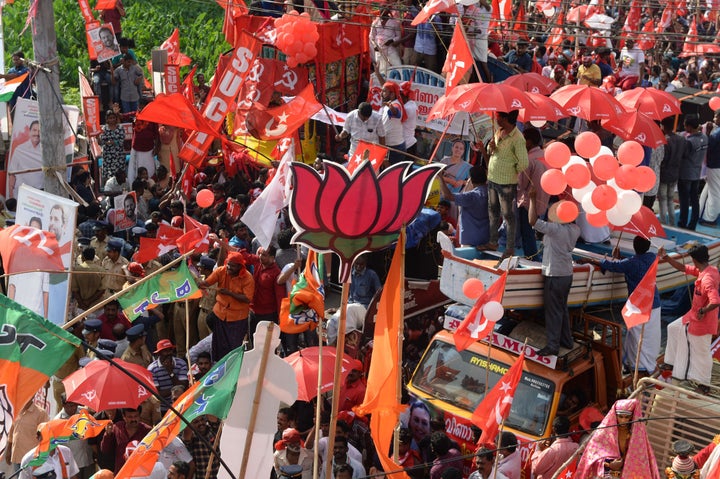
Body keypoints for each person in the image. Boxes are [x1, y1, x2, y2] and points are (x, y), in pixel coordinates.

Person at [583, 236, 661, 374]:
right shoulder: (651, 257)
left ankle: (638, 366)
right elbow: (628, 263)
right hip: (654, 302)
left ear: (634, 246)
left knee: (637, 338)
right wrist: (620, 257)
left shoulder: (631, 263)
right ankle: (643, 364)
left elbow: (612, 266)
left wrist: (588, 260)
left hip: (640, 306)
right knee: (648, 337)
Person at [659, 244, 720, 391]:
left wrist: (703, 310)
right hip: (692, 316)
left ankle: (703, 385)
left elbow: (716, 301)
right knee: (672, 328)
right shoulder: (706, 269)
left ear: (694, 260)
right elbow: (683, 268)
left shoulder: (706, 279)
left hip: (702, 322)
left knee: (702, 353)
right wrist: (666, 258)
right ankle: (671, 362)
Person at [529, 196, 580, 357]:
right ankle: (566, 339)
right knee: (562, 308)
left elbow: (532, 221)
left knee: (553, 311)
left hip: (555, 274)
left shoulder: (555, 229)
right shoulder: (575, 229)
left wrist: (532, 199)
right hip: (566, 274)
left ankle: (553, 345)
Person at [480, 110, 529, 258]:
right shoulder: (498, 131)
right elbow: (491, 151)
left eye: (498, 117)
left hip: (507, 182)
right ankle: (493, 242)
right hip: (493, 178)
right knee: (493, 211)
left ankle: (509, 248)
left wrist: (511, 170)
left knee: (508, 215)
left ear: (505, 118)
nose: (496, 119)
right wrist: (490, 147)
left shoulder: (518, 138)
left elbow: (523, 164)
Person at [576, 399, 660, 478]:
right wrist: (610, 464)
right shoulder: (604, 433)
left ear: (631, 417)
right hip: (611, 474)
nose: (623, 420)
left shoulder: (636, 435)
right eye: (620, 416)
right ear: (615, 415)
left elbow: (641, 459)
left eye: (627, 417)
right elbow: (592, 457)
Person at [198, 252, 255, 361]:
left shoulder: (247, 278)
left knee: (233, 349)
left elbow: (247, 299)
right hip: (220, 315)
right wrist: (200, 284)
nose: (229, 267)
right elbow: (207, 282)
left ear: (239, 266)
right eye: (228, 264)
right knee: (218, 347)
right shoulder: (221, 271)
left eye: (232, 266)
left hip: (236, 319)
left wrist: (229, 293)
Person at [439, 165, 490, 247]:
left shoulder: (472, 196)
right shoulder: (491, 193)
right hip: (486, 239)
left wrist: (440, 177)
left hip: (471, 241)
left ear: (471, 180)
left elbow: (447, 196)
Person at [517, 129, 548, 259]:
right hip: (544, 200)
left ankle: (531, 256)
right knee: (533, 230)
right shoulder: (546, 156)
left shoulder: (529, 159)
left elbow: (521, 184)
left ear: (529, 141)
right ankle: (533, 254)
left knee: (527, 231)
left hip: (528, 202)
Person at [100, 408, 151, 474]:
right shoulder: (117, 427)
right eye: (130, 417)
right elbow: (105, 449)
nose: (133, 419)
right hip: (120, 472)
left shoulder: (147, 431)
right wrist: (108, 434)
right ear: (124, 417)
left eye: (136, 416)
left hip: (140, 473)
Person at [679, 115, 708, 230]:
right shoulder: (705, 137)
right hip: (697, 174)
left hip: (685, 174)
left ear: (690, 127)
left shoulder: (689, 142)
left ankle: (682, 223)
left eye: (685, 125)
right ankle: (692, 224)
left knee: (684, 201)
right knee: (694, 199)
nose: (684, 127)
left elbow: (682, 156)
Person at [659, 117, 687, 226]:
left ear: (663, 126)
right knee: (670, 199)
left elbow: (663, 158)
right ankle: (671, 222)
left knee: (663, 199)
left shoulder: (665, 140)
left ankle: (663, 222)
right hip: (675, 173)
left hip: (665, 173)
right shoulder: (681, 139)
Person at [6, 401, 49, 471]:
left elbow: (45, 436)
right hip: (16, 456)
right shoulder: (16, 410)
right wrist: (8, 450)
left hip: (31, 460)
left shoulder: (41, 413)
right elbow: (12, 432)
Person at [148, 339, 189, 408]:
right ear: (159, 354)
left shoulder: (181, 364)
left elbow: (183, 386)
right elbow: (157, 395)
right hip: (163, 407)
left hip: (181, 404)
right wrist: (175, 390)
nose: (169, 353)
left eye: (170, 350)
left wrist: (170, 372)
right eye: (165, 351)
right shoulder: (152, 369)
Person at [9, 120, 43, 198]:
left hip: (39, 194)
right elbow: (12, 174)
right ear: (29, 132)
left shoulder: (47, 152)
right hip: (21, 193)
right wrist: (11, 196)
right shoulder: (19, 150)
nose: (37, 134)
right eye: (34, 130)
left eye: (39, 131)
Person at [700, 110, 720, 226]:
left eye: (716, 117)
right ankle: (703, 213)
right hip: (716, 165)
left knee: (714, 192)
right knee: (709, 191)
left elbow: (708, 145)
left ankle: (710, 218)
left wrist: (707, 133)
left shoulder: (717, 133)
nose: (714, 120)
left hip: (715, 165)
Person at [379, 81, 407, 164]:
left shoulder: (395, 105)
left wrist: (391, 108)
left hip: (394, 148)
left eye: (384, 92)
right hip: (388, 146)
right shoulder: (387, 105)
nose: (381, 94)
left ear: (392, 94)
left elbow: (396, 114)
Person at [369, 9, 401, 76]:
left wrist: (391, 40)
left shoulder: (394, 23)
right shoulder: (375, 22)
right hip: (379, 50)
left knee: (398, 66)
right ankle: (382, 83)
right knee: (381, 69)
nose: (382, 14)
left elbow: (398, 36)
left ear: (388, 13)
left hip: (390, 49)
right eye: (381, 12)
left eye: (384, 12)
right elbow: (371, 36)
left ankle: (399, 81)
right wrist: (375, 45)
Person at [99, 111, 127, 185]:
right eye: (110, 118)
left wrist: (113, 142)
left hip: (119, 155)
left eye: (113, 118)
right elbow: (101, 141)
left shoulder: (120, 128)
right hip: (108, 156)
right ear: (107, 119)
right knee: (108, 175)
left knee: (120, 175)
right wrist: (106, 142)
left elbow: (122, 140)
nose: (112, 120)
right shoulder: (103, 129)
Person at [0, 51, 32, 116]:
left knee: (24, 121)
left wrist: (2, 76)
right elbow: (7, 80)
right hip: (13, 100)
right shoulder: (11, 70)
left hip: (24, 99)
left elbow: (16, 76)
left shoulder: (26, 70)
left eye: (17, 60)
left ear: (22, 60)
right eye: (14, 60)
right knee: (13, 120)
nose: (15, 61)